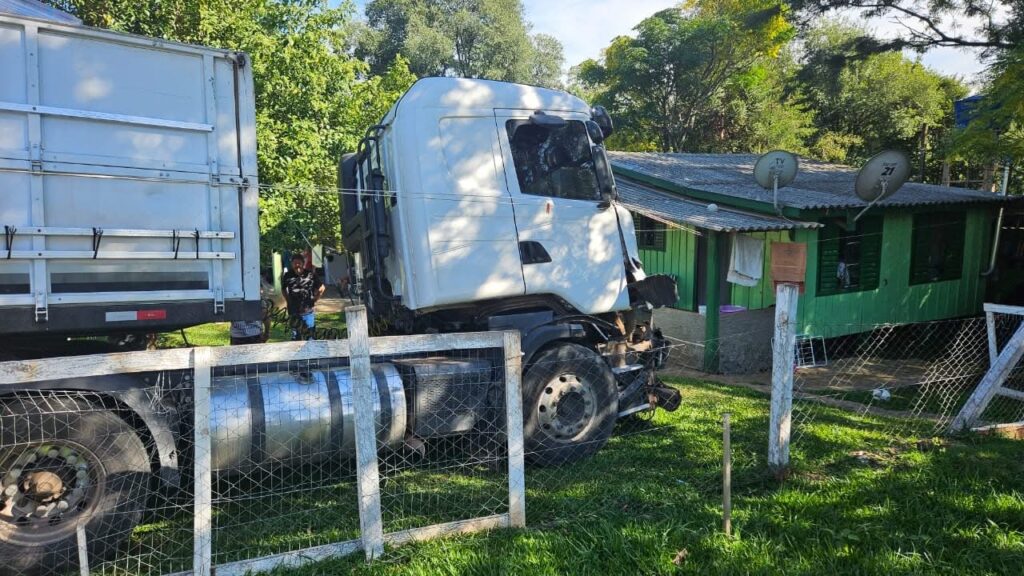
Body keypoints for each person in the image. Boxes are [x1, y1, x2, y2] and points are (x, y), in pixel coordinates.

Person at [282, 253, 325, 340]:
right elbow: (283, 289)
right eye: (295, 263)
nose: (297, 265)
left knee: (310, 337)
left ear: (303, 263)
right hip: (293, 311)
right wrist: (288, 300)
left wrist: (315, 299)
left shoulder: (310, 275)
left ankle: (311, 353)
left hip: (308, 311)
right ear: (292, 264)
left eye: (299, 263)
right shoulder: (287, 276)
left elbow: (322, 288)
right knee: (295, 337)